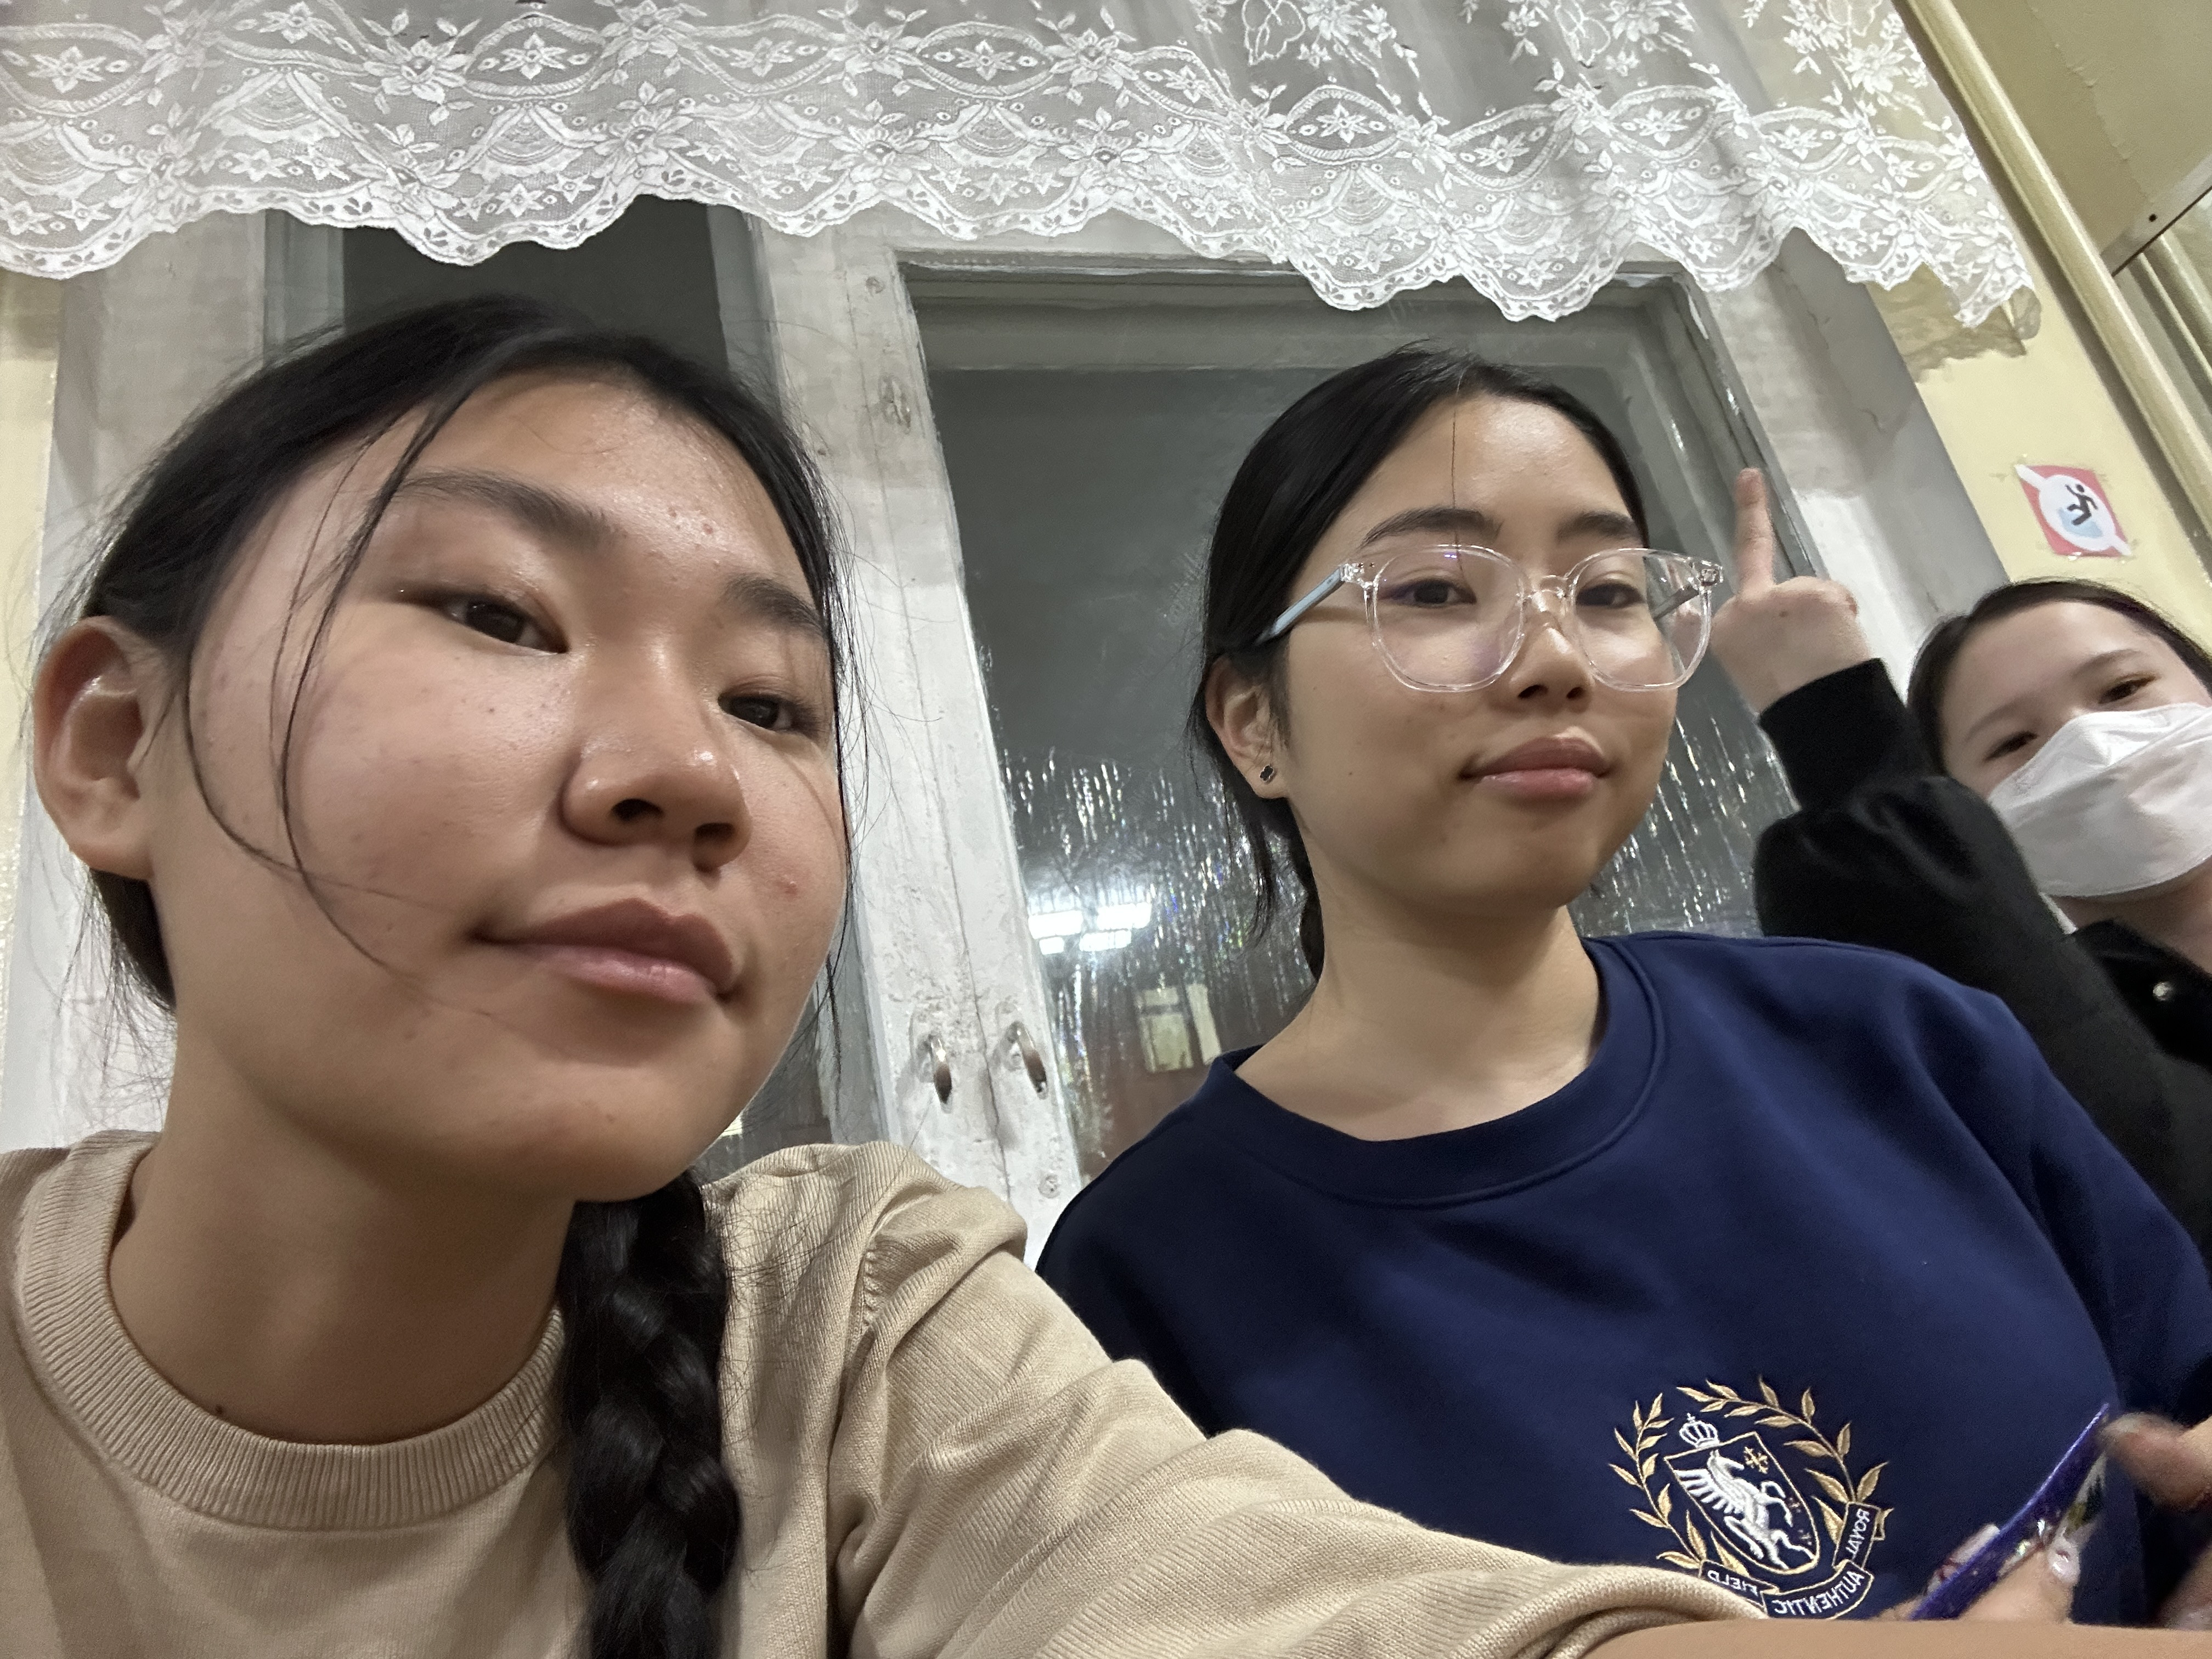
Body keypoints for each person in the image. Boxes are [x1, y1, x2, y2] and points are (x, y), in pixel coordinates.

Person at [1, 296, 1791, 1659]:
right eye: (497, 613)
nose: (691, 771)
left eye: (770, 703)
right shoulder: (1136, 1253)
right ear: (112, 741)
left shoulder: (852, 1328)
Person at [1035, 348, 2212, 1628]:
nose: (1555, 660)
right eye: (1433, 589)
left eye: (1606, 592)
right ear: (1252, 723)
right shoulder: (1142, 1285)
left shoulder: (1897, 1037)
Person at [1713, 486, 2212, 1262]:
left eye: (2123, 690)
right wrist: (1829, 715)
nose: (2089, 744)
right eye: (2013, 743)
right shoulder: (2038, 1045)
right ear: (1966, 820)